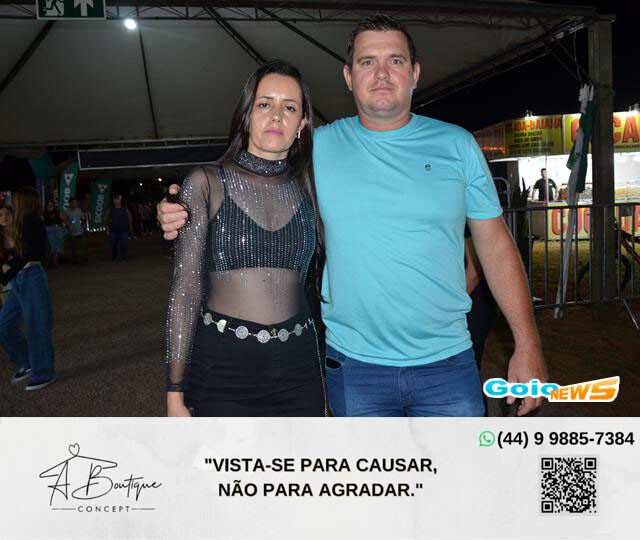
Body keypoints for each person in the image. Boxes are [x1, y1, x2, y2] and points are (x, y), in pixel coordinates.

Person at [159, 16, 548, 417]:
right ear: (348, 76)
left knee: (453, 463)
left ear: (415, 73)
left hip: (447, 363)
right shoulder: (316, 150)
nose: (381, 73)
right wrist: (175, 207)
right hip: (355, 367)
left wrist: (528, 344)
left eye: (395, 61)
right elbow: (251, 177)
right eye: (367, 62)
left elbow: (495, 246)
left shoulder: (458, 145)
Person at [165, 60, 327, 417]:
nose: (276, 116)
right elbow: (186, 288)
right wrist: (174, 392)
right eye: (264, 104)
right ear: (247, 113)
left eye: (289, 108)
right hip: (223, 368)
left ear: (302, 124)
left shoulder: (312, 187)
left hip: (300, 367)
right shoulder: (206, 182)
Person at [0, 187, 56, 390]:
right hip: (20, 280)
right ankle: (28, 362)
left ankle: (44, 373)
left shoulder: (31, 221)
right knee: (4, 324)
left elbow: (33, 253)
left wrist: (6, 277)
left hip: (31, 278)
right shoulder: (24, 222)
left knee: (36, 328)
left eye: (14, 199)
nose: (12, 202)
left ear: (23, 201)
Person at [104, 194, 133, 261]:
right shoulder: (110, 209)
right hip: (113, 230)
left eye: (117, 199)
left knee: (124, 244)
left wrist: (131, 227)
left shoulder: (125, 208)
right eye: (115, 199)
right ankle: (114, 256)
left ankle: (124, 257)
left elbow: (130, 218)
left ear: (120, 200)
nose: (116, 201)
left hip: (124, 230)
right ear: (113, 200)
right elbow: (105, 219)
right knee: (113, 244)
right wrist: (106, 228)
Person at [63, 197, 87, 264]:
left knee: (84, 244)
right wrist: (68, 227)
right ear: (70, 203)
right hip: (72, 232)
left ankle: (85, 258)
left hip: (80, 230)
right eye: (73, 202)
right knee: (74, 247)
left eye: (76, 202)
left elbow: (82, 218)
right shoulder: (66, 211)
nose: (75, 203)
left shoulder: (78, 210)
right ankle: (75, 260)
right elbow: (64, 221)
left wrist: (84, 225)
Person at [43, 201, 67, 268]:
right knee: (53, 247)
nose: (50, 206)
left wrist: (68, 225)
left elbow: (64, 219)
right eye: (48, 205)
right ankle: (55, 264)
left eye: (51, 205)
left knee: (59, 246)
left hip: (57, 229)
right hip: (49, 229)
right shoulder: (44, 213)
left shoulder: (57, 212)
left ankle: (56, 262)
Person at [0, 205, 16, 306]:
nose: (4, 217)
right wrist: (3, 264)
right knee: (7, 307)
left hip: (21, 274)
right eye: (0, 215)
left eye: (7, 214)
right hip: (3, 277)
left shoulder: (20, 233)